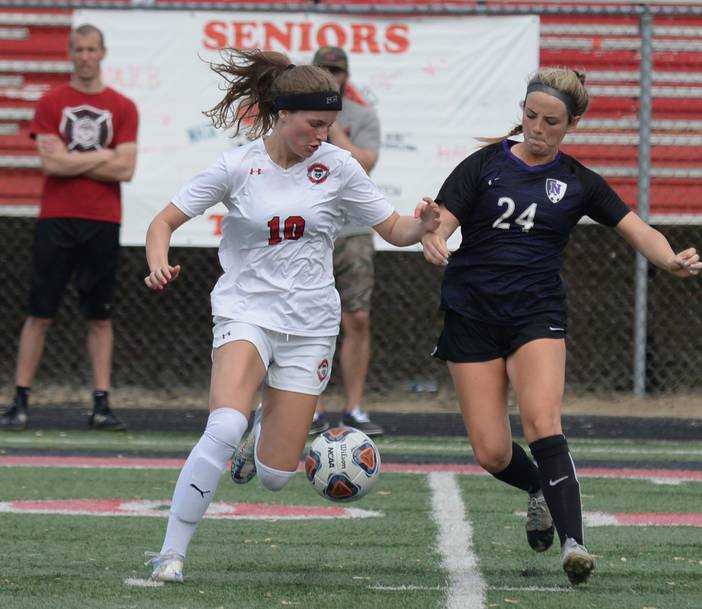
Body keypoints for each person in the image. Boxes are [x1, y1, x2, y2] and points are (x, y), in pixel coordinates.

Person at [142, 49, 439, 583]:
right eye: (315, 124)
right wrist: (159, 261)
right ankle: (170, 552)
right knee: (224, 422)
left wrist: (427, 224)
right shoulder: (238, 166)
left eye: (330, 125)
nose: (322, 136)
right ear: (282, 113)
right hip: (246, 310)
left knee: (278, 476)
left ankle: (261, 435)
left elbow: (395, 229)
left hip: (311, 325)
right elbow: (162, 222)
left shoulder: (339, 166)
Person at [420, 67, 702, 585]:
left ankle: (576, 543)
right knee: (491, 451)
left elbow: (638, 228)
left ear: (570, 124)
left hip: (536, 314)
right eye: (530, 116)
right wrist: (432, 236)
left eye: (550, 121)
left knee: (542, 422)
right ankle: (536, 489)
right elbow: (441, 222)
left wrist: (670, 261)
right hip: (471, 314)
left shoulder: (577, 182)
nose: (537, 127)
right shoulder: (482, 167)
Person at [0, 24, 138, 432]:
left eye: (91, 49)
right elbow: (52, 164)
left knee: (99, 316)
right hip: (56, 220)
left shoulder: (123, 106)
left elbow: (126, 168)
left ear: (103, 52)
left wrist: (74, 159)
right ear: (69, 53)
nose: (84, 56)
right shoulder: (51, 102)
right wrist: (104, 156)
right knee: (39, 312)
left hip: (102, 220)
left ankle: (100, 403)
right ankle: (20, 400)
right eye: (78, 49)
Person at [308, 46, 383, 436]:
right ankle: (311, 408)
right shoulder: (297, 119)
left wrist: (331, 125)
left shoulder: (362, 117)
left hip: (352, 229)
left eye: (336, 72)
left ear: (345, 77)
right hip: (309, 230)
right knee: (307, 319)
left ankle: (354, 407)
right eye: (323, 71)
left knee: (357, 317)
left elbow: (363, 163)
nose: (330, 77)